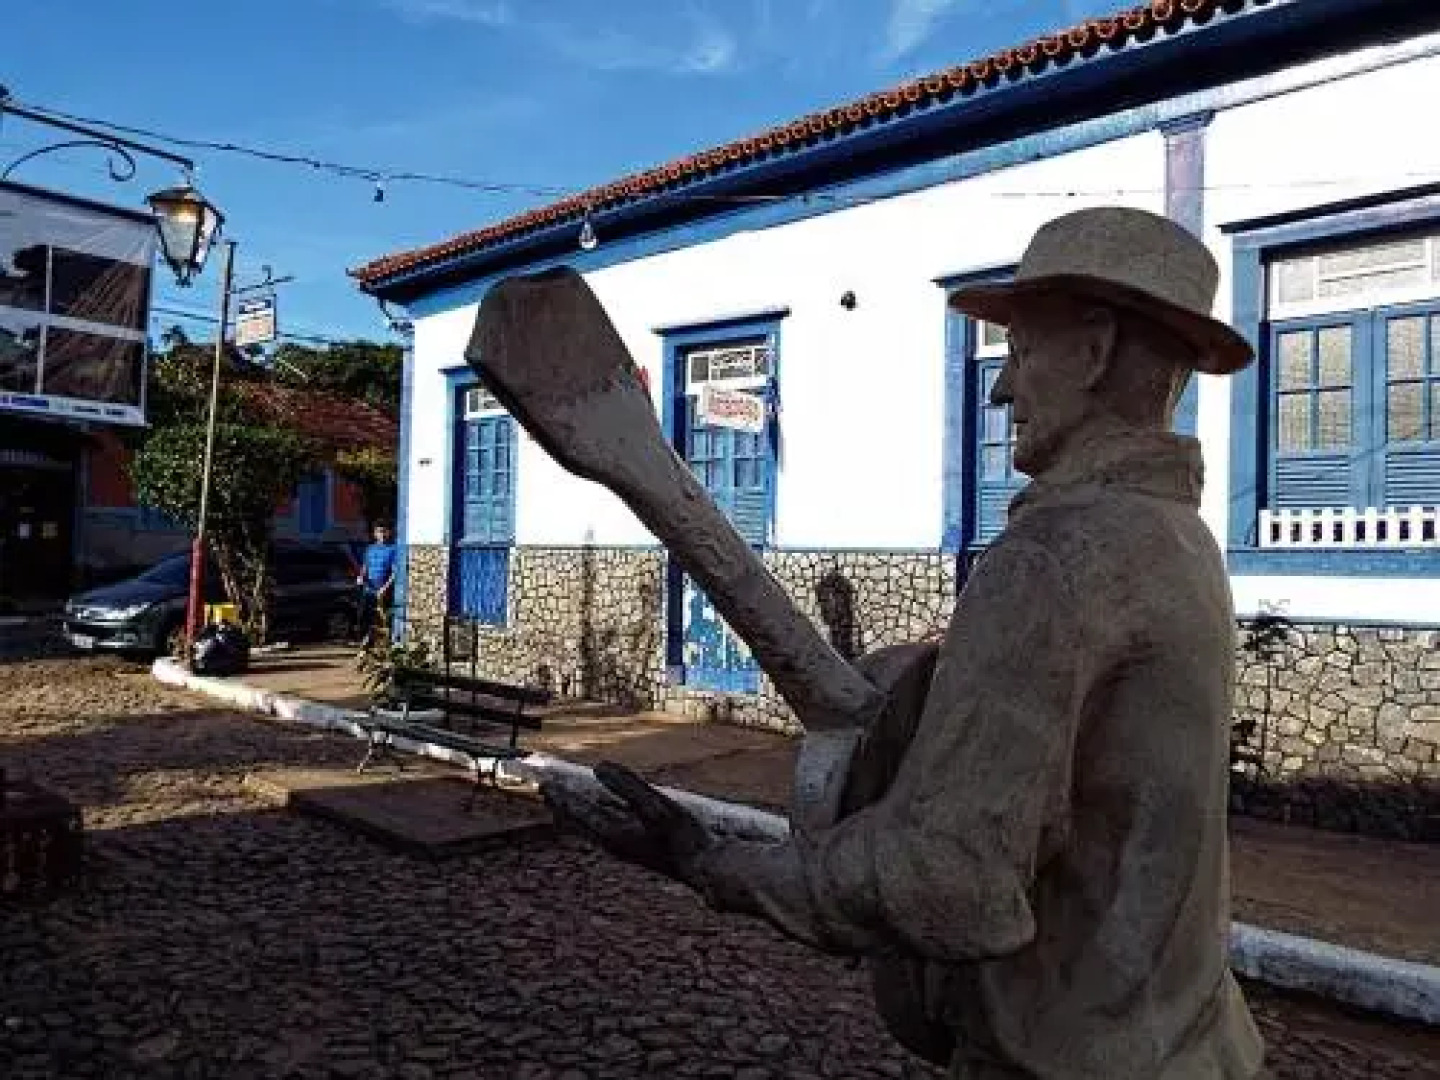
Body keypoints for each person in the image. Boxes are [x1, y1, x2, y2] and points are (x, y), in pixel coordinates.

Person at [547, 207, 1267, 1079]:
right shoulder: (1180, 544)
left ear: (1094, 350)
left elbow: (953, 877)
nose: (1003, 391)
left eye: (1023, 353)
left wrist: (722, 863)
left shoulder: (1054, 558)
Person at [355, 521, 396, 651]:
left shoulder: (393, 549)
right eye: (379, 531)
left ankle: (383, 647)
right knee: (363, 618)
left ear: (388, 533)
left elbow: (395, 572)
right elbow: (365, 567)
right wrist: (361, 577)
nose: (382, 534)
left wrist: (385, 588)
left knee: (382, 620)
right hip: (369, 590)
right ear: (375, 534)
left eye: (384, 531)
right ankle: (365, 646)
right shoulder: (370, 549)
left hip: (384, 592)